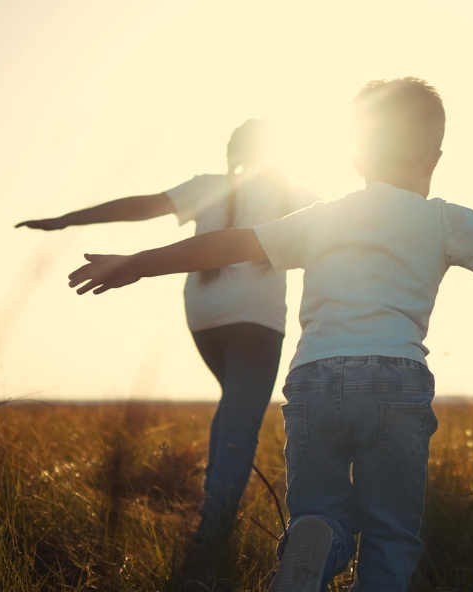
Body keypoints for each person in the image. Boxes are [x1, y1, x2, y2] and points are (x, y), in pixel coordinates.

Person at [66, 77, 473, 592]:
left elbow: (228, 244)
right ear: (436, 156)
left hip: (312, 384)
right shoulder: (441, 219)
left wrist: (138, 262)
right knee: (392, 539)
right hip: (396, 382)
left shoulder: (322, 216)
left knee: (319, 514)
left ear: (355, 153)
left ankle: (316, 541)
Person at [17, 120, 318, 549]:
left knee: (234, 406)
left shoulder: (208, 187)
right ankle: (212, 536)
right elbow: (349, 225)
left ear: (233, 153)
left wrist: (67, 220)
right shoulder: (298, 198)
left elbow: (140, 206)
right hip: (258, 321)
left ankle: (211, 518)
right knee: (240, 417)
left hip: (204, 318)